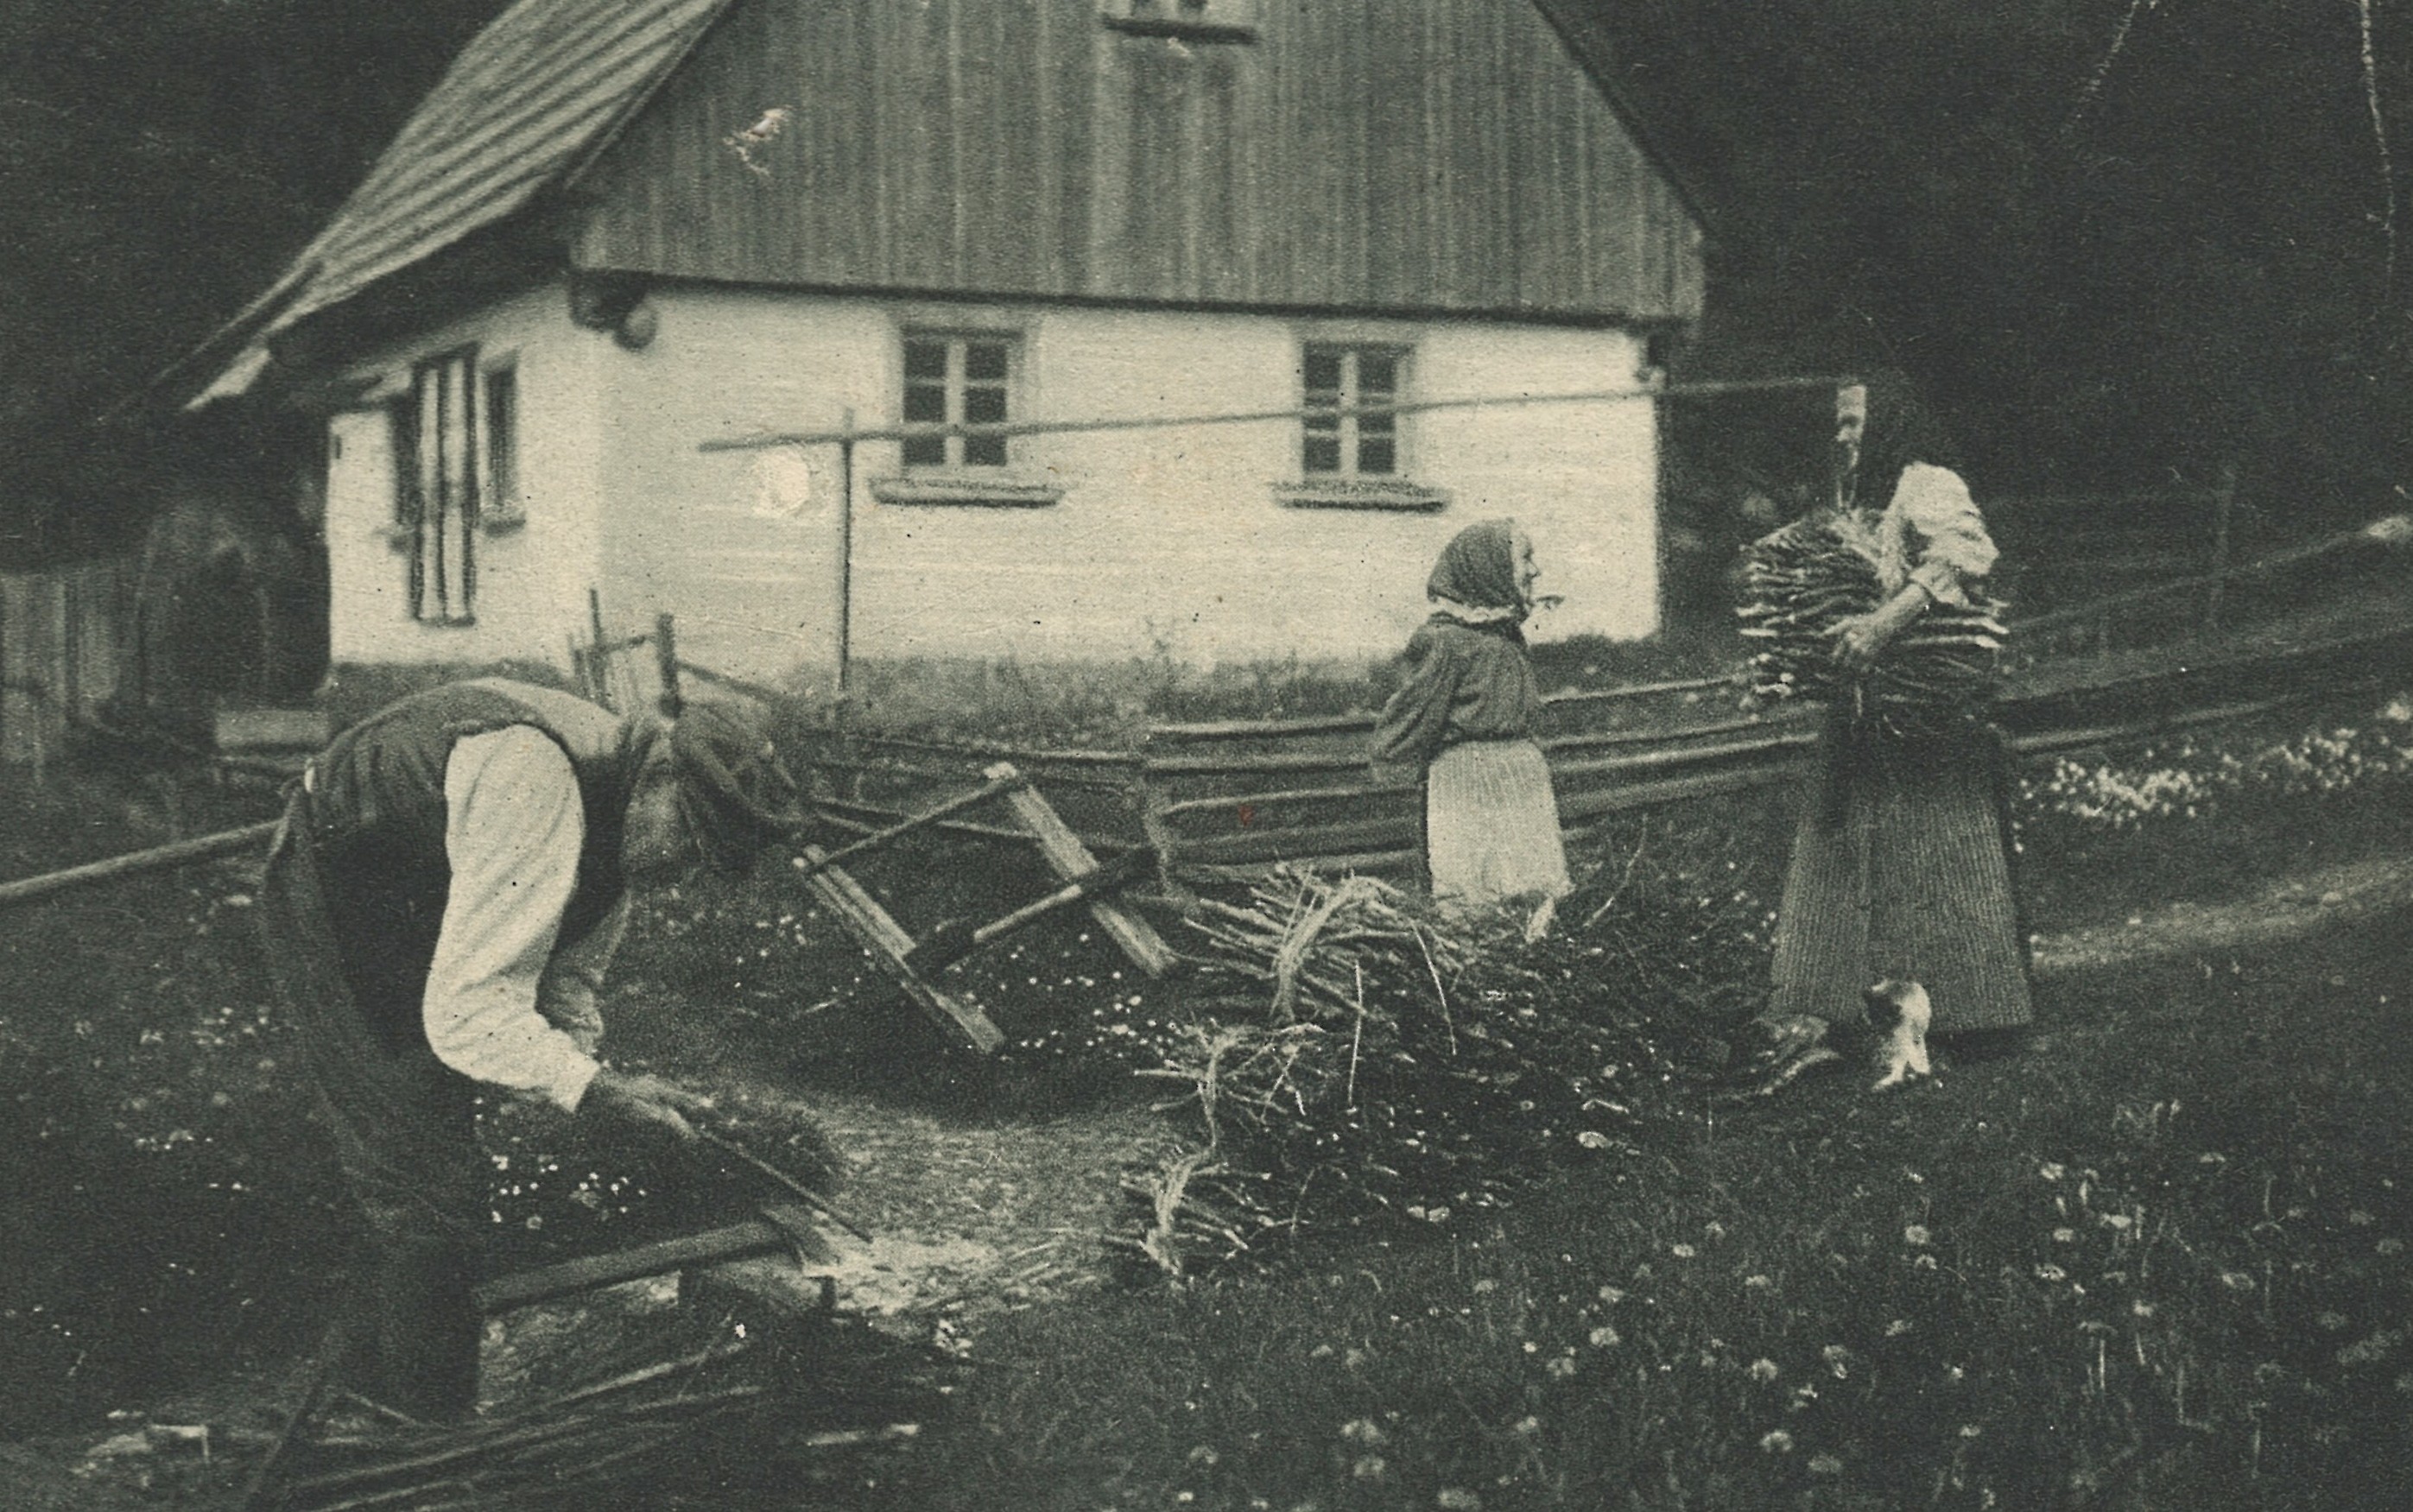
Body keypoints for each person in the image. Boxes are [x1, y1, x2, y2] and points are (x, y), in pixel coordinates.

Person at [256, 676, 805, 1421]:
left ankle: (352, 1398)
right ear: (660, 775)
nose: (679, 872)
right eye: (688, 838)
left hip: (423, 904)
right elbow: (468, 1013)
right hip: (342, 896)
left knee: (427, 1171)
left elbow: (564, 978)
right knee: (424, 1182)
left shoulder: (616, 813)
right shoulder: (536, 783)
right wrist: (593, 1090)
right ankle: (426, 1432)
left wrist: (588, 1081)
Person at [1761, 373, 2032, 1049]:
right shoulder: (1858, 494)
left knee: (1937, 850)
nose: (1842, 434)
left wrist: (1884, 623)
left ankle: (1971, 1013)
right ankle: (1839, 1008)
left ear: (1887, 423)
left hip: (1924, 705)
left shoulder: (1926, 483)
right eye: (1839, 421)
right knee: (1847, 851)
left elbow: (1965, 554)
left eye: (1854, 420)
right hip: (1865, 703)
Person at [1371, 518, 1571, 939]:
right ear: (1488, 569)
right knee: (1474, 896)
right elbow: (1410, 714)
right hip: (1470, 781)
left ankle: (1532, 960)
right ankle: (1475, 962)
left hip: (1520, 777)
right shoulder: (1447, 642)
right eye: (1525, 559)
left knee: (1533, 890)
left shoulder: (1504, 637)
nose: (1534, 570)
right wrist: (1396, 765)